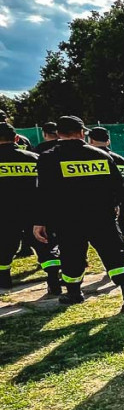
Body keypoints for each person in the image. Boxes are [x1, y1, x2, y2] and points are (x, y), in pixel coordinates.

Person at [34, 116, 124, 309]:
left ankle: (74, 293)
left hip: (68, 219)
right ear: (82, 133)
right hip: (102, 216)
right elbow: (118, 186)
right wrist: (115, 204)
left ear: (58, 134)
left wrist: (40, 221)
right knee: (115, 253)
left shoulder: (49, 158)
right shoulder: (102, 156)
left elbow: (43, 193)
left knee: (71, 255)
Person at [0, 123, 61, 293]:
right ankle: (53, 279)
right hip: (36, 212)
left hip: (4, 213)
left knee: (4, 246)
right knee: (46, 245)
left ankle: (4, 280)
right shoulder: (36, 158)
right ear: (17, 139)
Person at [88, 126, 124, 237]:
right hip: (119, 206)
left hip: (93, 207)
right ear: (108, 141)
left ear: (90, 140)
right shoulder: (120, 160)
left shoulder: (85, 159)